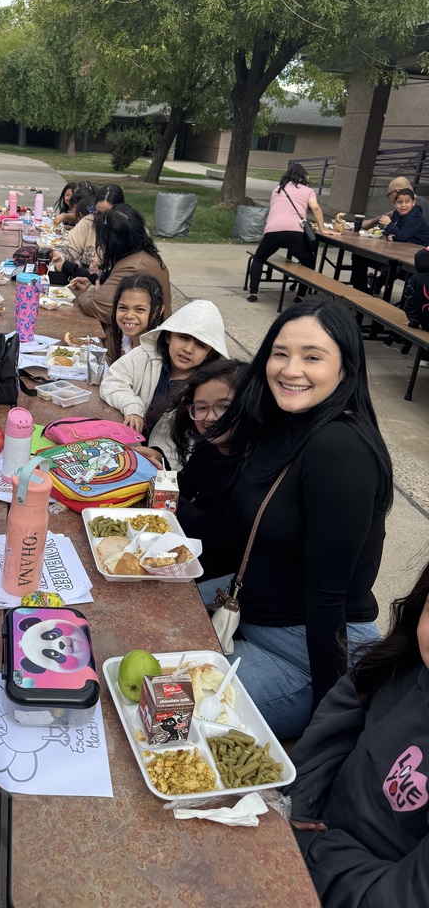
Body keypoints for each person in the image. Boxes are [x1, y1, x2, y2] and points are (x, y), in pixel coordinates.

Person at [199, 300, 393, 739]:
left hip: (307, 654)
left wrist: (331, 729)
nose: (290, 369)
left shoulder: (340, 449)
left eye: (312, 356)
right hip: (246, 610)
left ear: (346, 368)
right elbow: (233, 531)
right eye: (280, 353)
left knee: (167, 703)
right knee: (142, 627)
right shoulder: (281, 421)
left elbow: (329, 599)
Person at [288, 557, 429, 907]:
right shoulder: (404, 664)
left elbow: (399, 896)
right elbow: (336, 724)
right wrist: (294, 805)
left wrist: (312, 850)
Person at [99, 299, 228, 455]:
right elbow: (112, 381)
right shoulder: (144, 356)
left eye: (201, 345)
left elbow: (193, 444)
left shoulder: (206, 391)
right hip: (126, 447)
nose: (188, 349)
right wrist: (132, 407)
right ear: (168, 336)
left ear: (210, 354)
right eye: (183, 337)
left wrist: (160, 455)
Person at [164, 360, 248, 578]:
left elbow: (224, 541)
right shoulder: (208, 446)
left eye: (224, 406)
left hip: (215, 574)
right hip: (185, 546)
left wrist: (168, 498)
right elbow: (185, 484)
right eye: (201, 408)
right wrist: (159, 464)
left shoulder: (255, 469)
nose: (210, 417)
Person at [71, 204, 172, 339]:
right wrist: (93, 288)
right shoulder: (142, 255)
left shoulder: (134, 267)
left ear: (111, 241)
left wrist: (87, 293)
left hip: (137, 346)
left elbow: (98, 307)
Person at [247, 162, 323, 302]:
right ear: (303, 177)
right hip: (294, 233)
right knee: (309, 261)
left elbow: (280, 210)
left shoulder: (277, 189)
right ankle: (300, 295)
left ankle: (253, 293)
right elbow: (316, 208)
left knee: (258, 258)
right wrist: (323, 229)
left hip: (273, 231)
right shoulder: (308, 190)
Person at [52, 184, 125, 275]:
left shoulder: (129, 228)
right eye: (97, 212)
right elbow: (69, 248)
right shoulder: (89, 222)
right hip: (85, 279)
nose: (100, 218)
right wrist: (60, 256)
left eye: (106, 214)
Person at [105, 273, 166, 364]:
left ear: (158, 311)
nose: (129, 315)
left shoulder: (157, 355)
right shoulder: (126, 340)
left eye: (139, 309)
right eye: (123, 308)